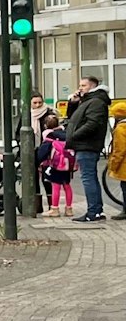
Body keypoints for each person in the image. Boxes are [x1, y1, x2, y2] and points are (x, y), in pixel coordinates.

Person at [66, 75, 112, 222]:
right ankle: (96, 211)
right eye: (80, 85)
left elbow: (92, 124)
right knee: (90, 177)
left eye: (83, 85)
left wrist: (74, 136)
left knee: (88, 178)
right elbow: (72, 117)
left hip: (87, 145)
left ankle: (93, 212)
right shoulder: (88, 100)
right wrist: (73, 103)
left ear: (92, 86)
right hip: (85, 144)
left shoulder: (96, 101)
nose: (80, 88)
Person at [40, 118, 74, 218]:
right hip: (67, 164)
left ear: (45, 125)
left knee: (56, 186)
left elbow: (44, 150)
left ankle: (55, 209)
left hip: (56, 164)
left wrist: (39, 160)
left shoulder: (50, 135)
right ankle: (69, 209)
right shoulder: (65, 134)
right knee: (67, 185)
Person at [108, 100, 126, 220]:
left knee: (125, 187)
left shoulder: (121, 129)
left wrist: (113, 165)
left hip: (124, 165)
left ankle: (125, 211)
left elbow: (119, 150)